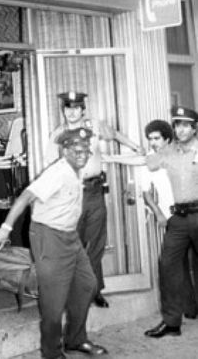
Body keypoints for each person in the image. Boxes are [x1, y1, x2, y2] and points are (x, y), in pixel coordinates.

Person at [0, 126, 108, 358]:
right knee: (54, 299)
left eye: (85, 150)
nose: (82, 154)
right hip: (49, 237)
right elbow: (26, 196)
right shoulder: (58, 172)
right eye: (76, 150)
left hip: (70, 236)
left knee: (87, 284)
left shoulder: (77, 169)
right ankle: (51, 352)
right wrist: (5, 228)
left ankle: (75, 340)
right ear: (64, 151)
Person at [46, 91, 142, 308]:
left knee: (96, 243)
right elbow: (50, 164)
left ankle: (94, 290)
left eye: (75, 108)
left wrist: (136, 147)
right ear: (63, 110)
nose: (71, 112)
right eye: (67, 108)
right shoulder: (58, 134)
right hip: (71, 195)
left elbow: (116, 135)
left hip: (95, 192)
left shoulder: (95, 127)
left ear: (83, 110)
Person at [144, 105, 198, 339]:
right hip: (177, 218)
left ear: (194, 128)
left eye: (186, 125)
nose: (181, 129)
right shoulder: (169, 151)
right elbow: (147, 162)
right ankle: (172, 322)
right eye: (177, 125)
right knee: (167, 266)